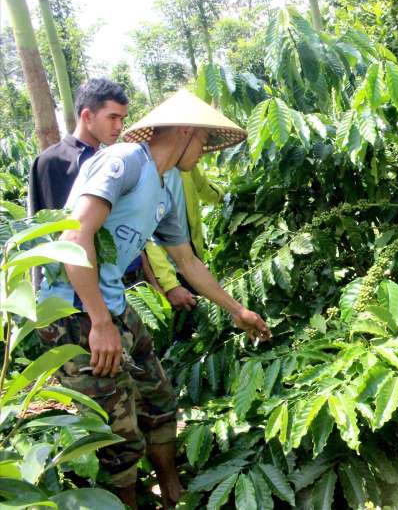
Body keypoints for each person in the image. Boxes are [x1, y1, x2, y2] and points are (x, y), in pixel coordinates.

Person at [38, 89, 271, 508]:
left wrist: (238, 310)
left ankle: (171, 492)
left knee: (159, 399)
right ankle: (125, 500)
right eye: (202, 142)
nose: (203, 153)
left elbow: (187, 261)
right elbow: (74, 237)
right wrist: (100, 322)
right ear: (185, 131)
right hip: (73, 310)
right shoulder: (124, 161)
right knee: (116, 431)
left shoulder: (166, 189)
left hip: (112, 305)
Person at [144, 165, 223, 343]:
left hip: (190, 257)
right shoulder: (146, 173)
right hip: (166, 270)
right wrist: (169, 284)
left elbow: (204, 187)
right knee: (177, 337)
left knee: (202, 331)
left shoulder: (187, 165)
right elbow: (150, 237)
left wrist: (229, 198)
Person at [29, 78, 128, 213]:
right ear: (87, 116)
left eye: (122, 119)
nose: (119, 126)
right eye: (112, 117)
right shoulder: (53, 160)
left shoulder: (107, 159)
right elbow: (51, 225)